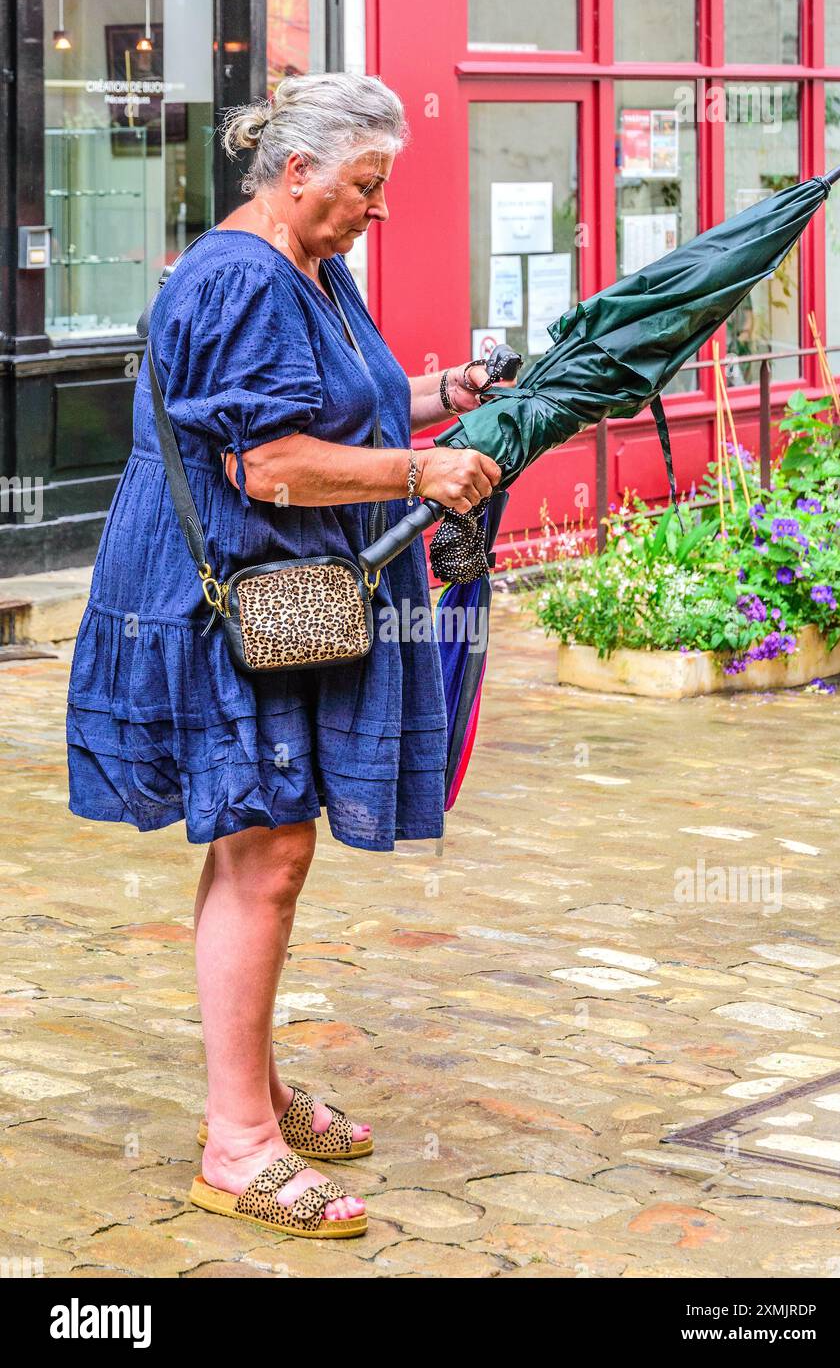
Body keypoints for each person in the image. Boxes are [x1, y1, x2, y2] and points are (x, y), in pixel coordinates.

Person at [66, 72, 503, 1239]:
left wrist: (440, 397)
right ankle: (238, 1145)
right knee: (267, 847)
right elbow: (270, 465)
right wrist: (419, 471)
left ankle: (249, 1092)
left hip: (277, 592)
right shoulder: (240, 278)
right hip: (222, 600)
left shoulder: (312, 263)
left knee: (263, 841)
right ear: (296, 171)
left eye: (382, 188)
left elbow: (335, 408)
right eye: (364, 185)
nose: (377, 208)